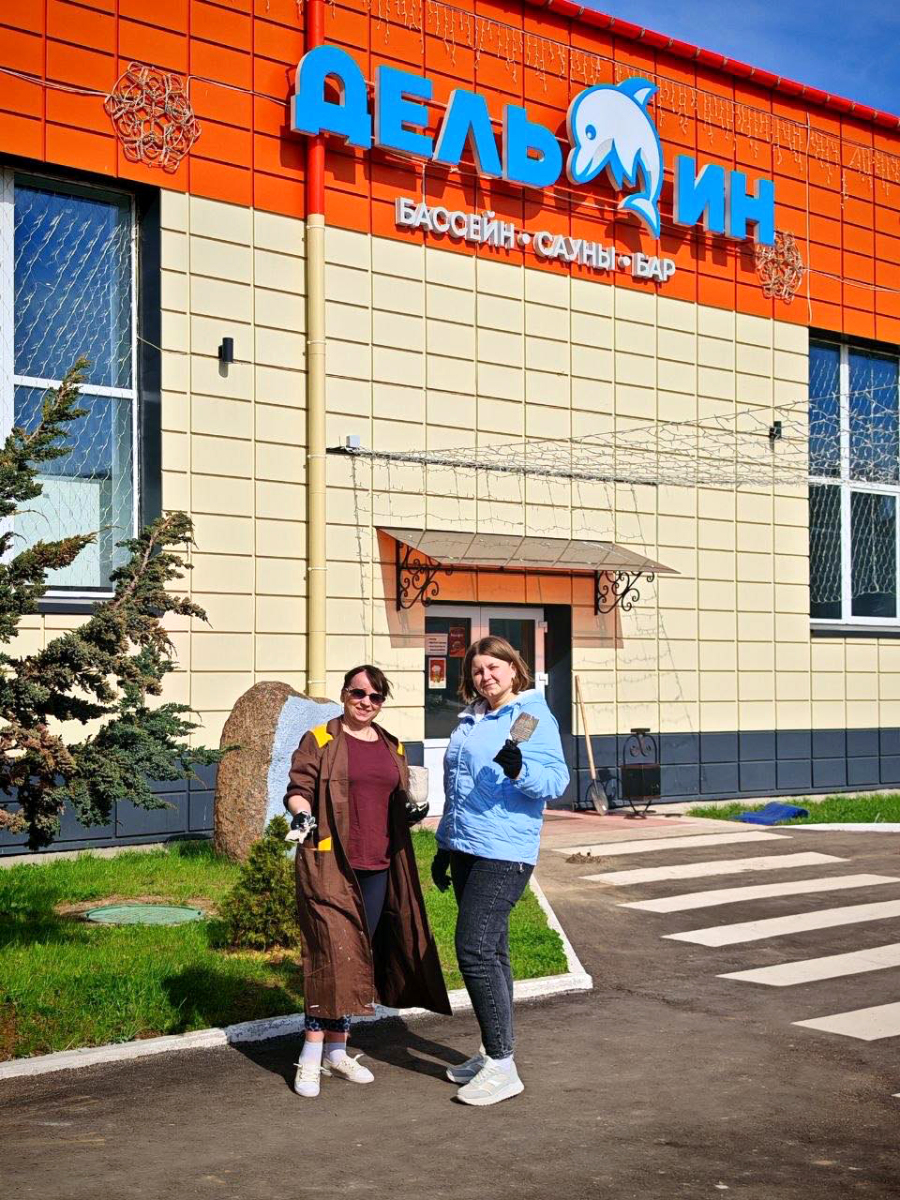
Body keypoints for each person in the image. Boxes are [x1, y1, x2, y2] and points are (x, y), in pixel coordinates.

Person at [285, 664, 451, 1098]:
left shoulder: (392, 745)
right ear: (344, 694)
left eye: (375, 697)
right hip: (331, 863)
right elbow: (298, 787)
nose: (366, 702)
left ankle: (337, 1051)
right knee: (331, 956)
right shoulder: (320, 739)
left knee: (355, 955)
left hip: (379, 866)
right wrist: (302, 814)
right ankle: (310, 1054)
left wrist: (413, 810)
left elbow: (397, 797)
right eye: (359, 693)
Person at [432, 636, 569, 1107]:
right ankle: (494, 1050)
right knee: (494, 951)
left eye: (494, 667)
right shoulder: (473, 718)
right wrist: (444, 845)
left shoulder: (529, 716)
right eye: (477, 670)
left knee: (473, 949)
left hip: (504, 850)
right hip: (466, 847)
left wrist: (519, 770)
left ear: (514, 668)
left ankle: (503, 1066)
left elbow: (555, 781)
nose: (485, 676)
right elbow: (458, 786)